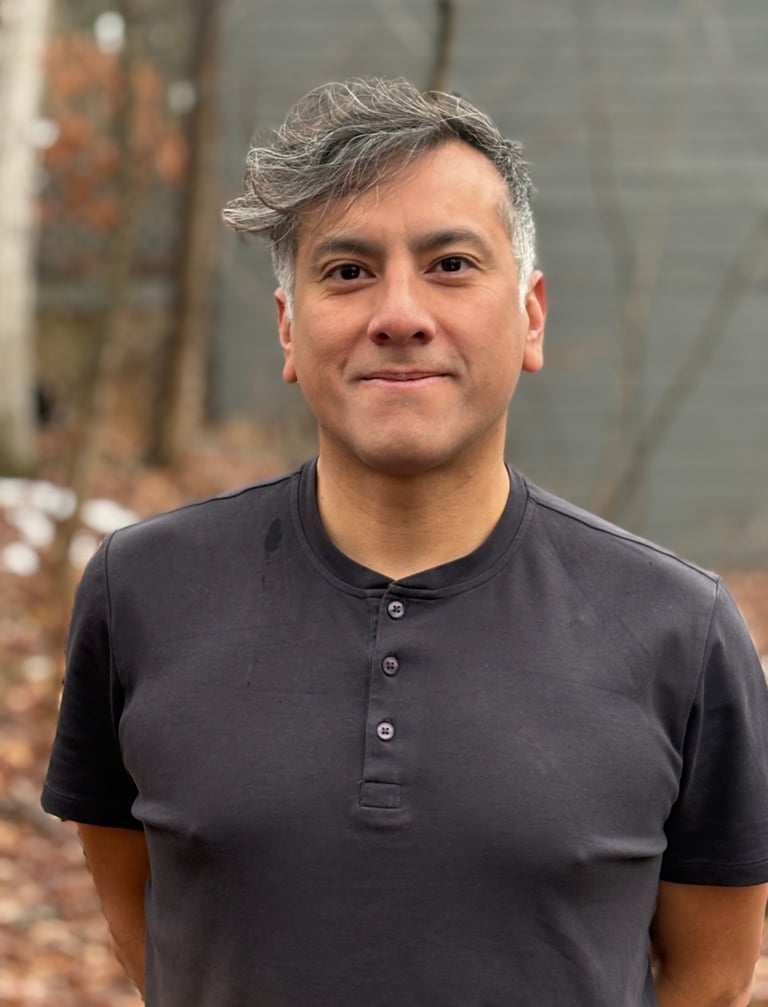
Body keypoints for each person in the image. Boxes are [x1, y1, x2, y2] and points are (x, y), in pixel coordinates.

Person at [42, 77, 768, 1007]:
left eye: (451, 264)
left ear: (532, 315)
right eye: (348, 271)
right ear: (288, 328)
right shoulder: (144, 591)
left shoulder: (679, 629)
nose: (399, 314)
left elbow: (711, 973)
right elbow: (147, 919)